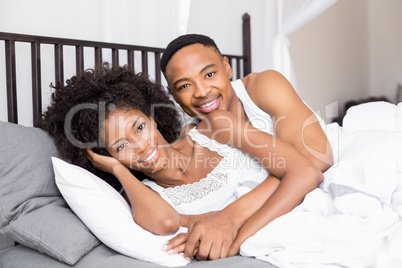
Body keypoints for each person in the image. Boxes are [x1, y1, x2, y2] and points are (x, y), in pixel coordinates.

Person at [39, 64, 324, 261]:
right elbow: (164, 223)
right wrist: (117, 170)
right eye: (121, 146)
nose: (140, 146)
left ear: (152, 118)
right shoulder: (145, 196)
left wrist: (234, 235)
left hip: (315, 210)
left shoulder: (216, 125)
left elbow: (305, 171)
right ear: (106, 156)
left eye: (139, 127)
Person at [160, 34, 334, 259]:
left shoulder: (263, 85)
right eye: (184, 85)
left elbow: (315, 159)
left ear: (227, 68)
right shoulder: (192, 138)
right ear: (171, 94)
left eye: (210, 74)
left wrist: (231, 219)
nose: (202, 92)